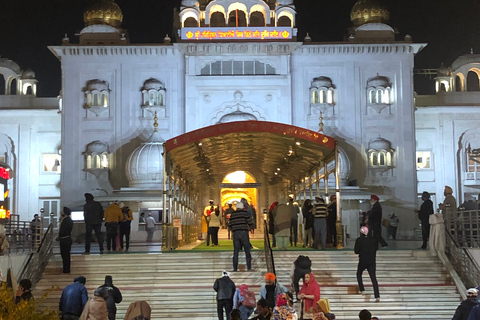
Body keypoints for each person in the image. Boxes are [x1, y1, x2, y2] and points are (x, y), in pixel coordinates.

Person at [355, 226, 380, 302]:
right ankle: (377, 296)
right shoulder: (373, 240)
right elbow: (376, 248)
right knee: (373, 278)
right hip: (372, 261)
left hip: (363, 260)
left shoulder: (359, 240)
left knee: (359, 273)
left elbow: (356, 251)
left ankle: (362, 289)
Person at [229, 201, 254, 271]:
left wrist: (233, 229)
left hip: (236, 233)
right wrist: (251, 227)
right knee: (247, 251)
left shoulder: (233, 214)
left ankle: (235, 268)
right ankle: (249, 267)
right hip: (244, 232)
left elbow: (230, 224)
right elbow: (250, 222)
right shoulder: (245, 213)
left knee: (236, 252)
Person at [59, 207, 74, 274]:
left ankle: (66, 270)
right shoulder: (69, 220)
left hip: (64, 239)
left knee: (65, 255)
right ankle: (66, 269)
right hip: (67, 239)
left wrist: (59, 236)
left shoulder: (66, 220)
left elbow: (63, 231)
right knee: (66, 255)